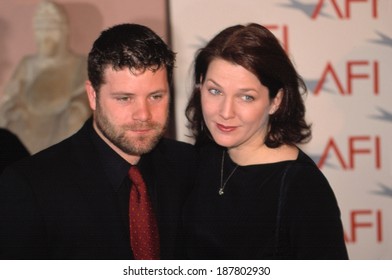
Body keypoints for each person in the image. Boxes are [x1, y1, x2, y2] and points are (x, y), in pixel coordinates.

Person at [0, 23, 197, 260]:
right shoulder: (31, 186)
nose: (143, 114)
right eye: (125, 98)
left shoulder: (192, 166)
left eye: (156, 96)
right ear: (92, 96)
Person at [184, 23, 348, 259]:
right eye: (215, 91)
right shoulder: (201, 157)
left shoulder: (303, 188)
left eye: (246, 97)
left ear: (276, 101)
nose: (225, 112)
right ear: (200, 85)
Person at [0, 1, 90, 154]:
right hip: (28, 122)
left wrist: (78, 108)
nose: (46, 35)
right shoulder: (27, 63)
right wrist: (11, 105)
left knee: (76, 119)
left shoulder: (79, 63)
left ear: (64, 31)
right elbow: (11, 95)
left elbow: (86, 94)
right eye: (41, 29)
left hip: (62, 120)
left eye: (51, 29)